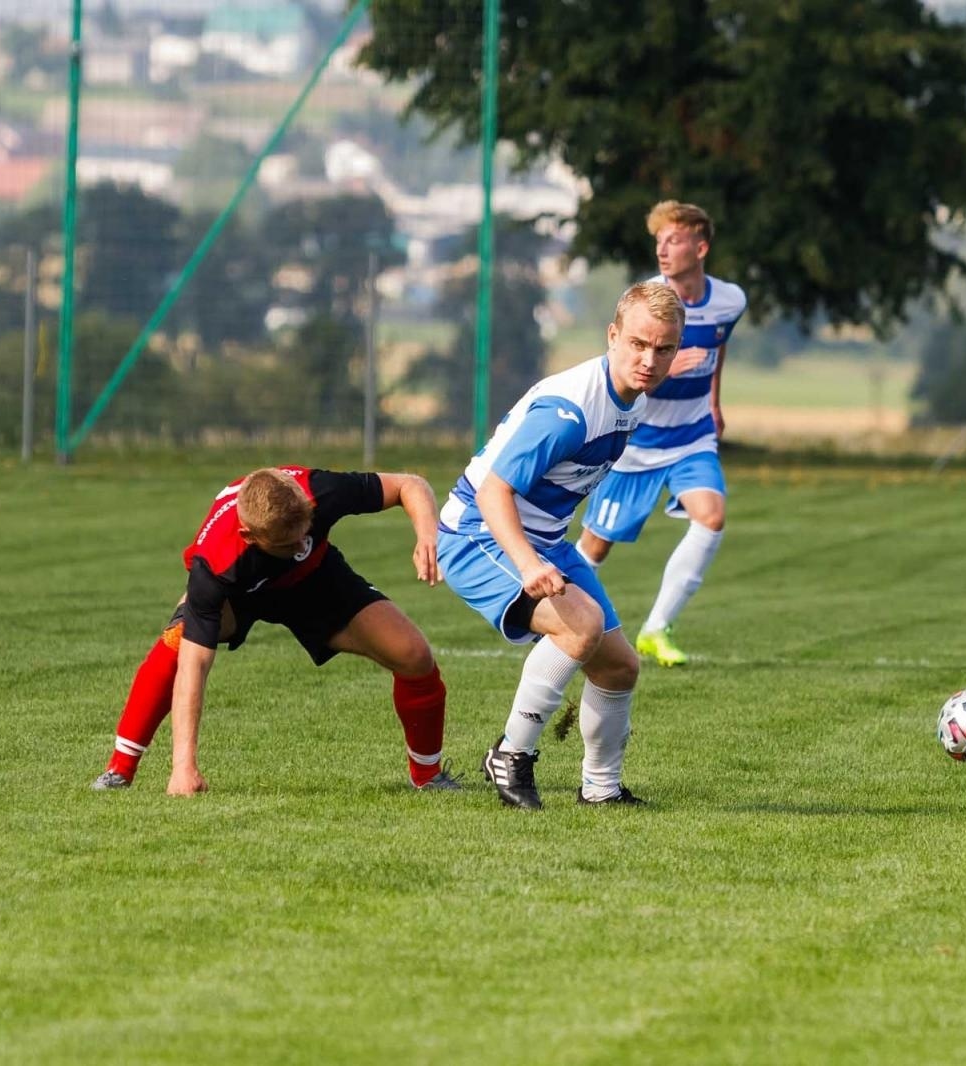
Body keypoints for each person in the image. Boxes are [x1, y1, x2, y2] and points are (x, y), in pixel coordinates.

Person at [437, 282, 681, 809]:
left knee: (620, 666)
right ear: (612, 336)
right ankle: (511, 755)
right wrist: (527, 565)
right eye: (638, 344)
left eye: (663, 349)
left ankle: (601, 789)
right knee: (582, 625)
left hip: (543, 536)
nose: (649, 359)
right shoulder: (569, 411)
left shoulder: (632, 400)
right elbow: (493, 490)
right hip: (476, 532)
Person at [91, 465, 460, 796]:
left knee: (414, 655)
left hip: (316, 581)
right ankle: (119, 770)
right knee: (177, 641)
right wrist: (182, 768)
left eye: (305, 533)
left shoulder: (320, 492)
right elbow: (194, 668)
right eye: (289, 543)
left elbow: (410, 485)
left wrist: (428, 534)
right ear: (249, 536)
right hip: (240, 596)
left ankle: (428, 777)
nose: (301, 544)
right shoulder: (216, 563)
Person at [578, 200, 747, 667]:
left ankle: (656, 628)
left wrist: (713, 401)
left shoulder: (730, 300)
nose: (663, 249)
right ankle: (555, 620)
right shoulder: (645, 299)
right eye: (658, 241)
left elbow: (718, 344)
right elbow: (622, 368)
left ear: (701, 246)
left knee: (711, 517)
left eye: (673, 239)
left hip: (692, 437)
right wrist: (669, 370)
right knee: (595, 546)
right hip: (636, 442)